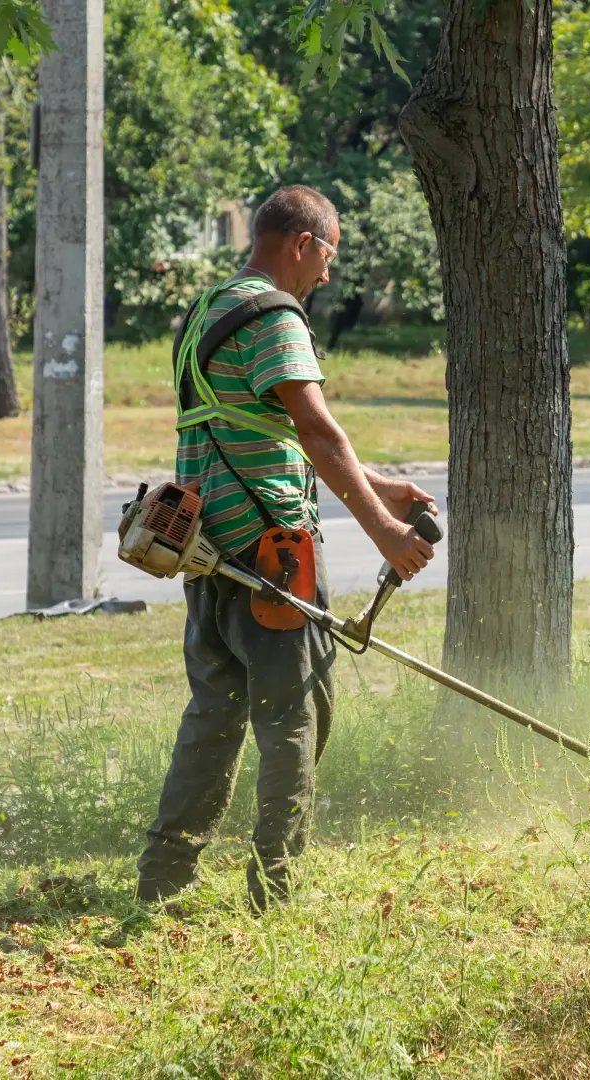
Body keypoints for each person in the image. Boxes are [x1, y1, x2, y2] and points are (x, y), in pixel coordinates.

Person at [136, 185, 436, 909]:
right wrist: (387, 533)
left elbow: (254, 422)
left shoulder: (209, 308)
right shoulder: (277, 315)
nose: (328, 275)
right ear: (302, 243)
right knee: (297, 715)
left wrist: (380, 483)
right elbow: (315, 431)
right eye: (328, 256)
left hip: (204, 551)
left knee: (213, 717)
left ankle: (164, 880)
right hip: (273, 554)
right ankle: (277, 889)